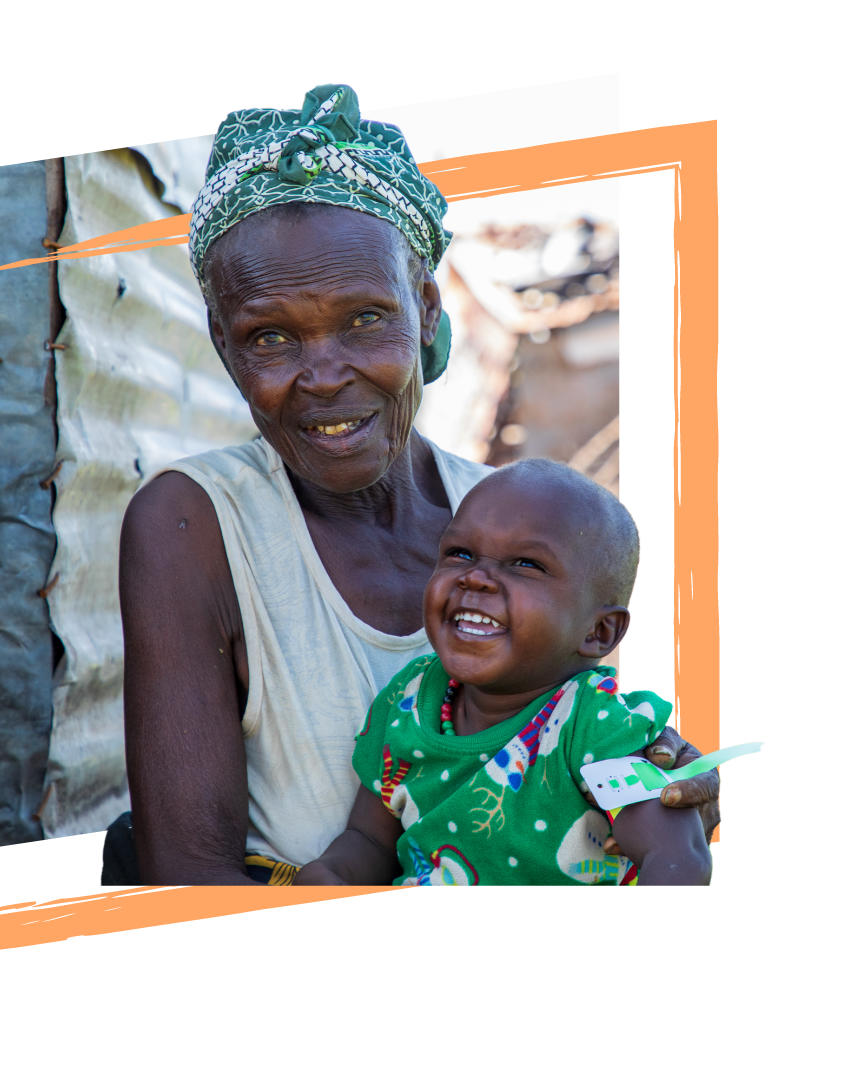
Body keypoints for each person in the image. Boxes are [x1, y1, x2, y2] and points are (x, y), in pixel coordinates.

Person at [102, 82, 720, 889]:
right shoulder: (193, 522)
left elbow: (585, 750)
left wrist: (662, 789)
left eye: (365, 318)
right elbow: (188, 876)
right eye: (270, 336)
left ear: (425, 309)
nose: (324, 375)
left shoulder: (524, 524)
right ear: (223, 344)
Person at [292, 459, 712, 886]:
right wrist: (330, 872)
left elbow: (679, 860)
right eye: (459, 553)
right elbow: (370, 841)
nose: (475, 577)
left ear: (598, 631)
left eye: (526, 564)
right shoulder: (408, 700)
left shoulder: (594, 727)